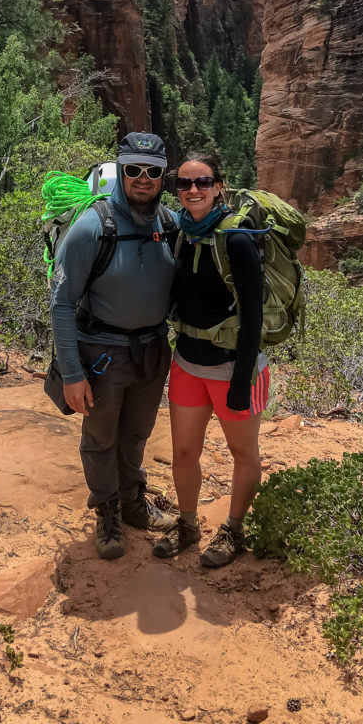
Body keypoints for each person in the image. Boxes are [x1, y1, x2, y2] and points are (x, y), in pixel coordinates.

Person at [50, 132, 177, 560]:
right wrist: (71, 374)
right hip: (102, 352)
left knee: (137, 432)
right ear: (120, 171)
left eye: (152, 171)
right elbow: (62, 304)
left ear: (163, 176)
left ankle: (132, 502)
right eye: (133, 170)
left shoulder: (171, 224)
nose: (143, 179)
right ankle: (106, 510)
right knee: (101, 436)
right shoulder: (92, 227)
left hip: (153, 351)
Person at [153, 151, 266, 568]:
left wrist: (241, 380)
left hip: (232, 365)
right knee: (184, 452)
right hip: (187, 362)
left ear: (220, 186)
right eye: (184, 183)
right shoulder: (180, 233)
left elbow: (253, 313)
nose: (193, 190)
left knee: (243, 453)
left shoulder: (237, 237)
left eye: (202, 182)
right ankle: (187, 523)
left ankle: (234, 529)